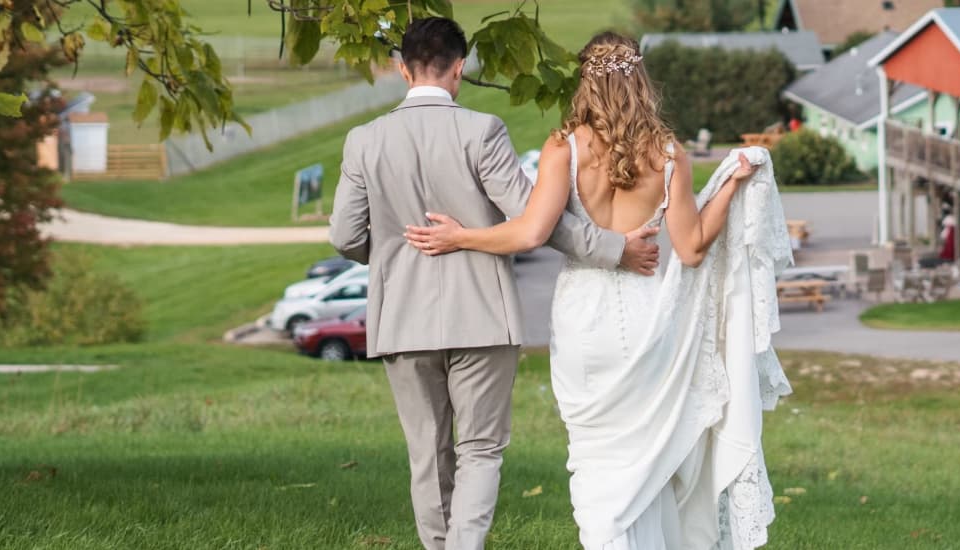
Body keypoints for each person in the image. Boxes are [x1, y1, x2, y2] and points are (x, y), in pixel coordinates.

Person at [402, 32, 792, 550]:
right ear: (641, 80)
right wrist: (729, 187)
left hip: (586, 321)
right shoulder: (668, 153)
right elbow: (694, 246)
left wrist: (460, 237)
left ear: (586, 81)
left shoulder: (563, 147)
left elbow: (530, 233)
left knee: (594, 456)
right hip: (651, 320)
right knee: (649, 458)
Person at [327, 19, 662, 550]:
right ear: (460, 68)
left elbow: (345, 236)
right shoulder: (481, 131)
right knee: (481, 449)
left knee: (427, 452)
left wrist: (394, 255)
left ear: (401, 68)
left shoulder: (363, 140)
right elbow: (536, 220)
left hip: (402, 322)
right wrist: (616, 248)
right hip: (483, 315)